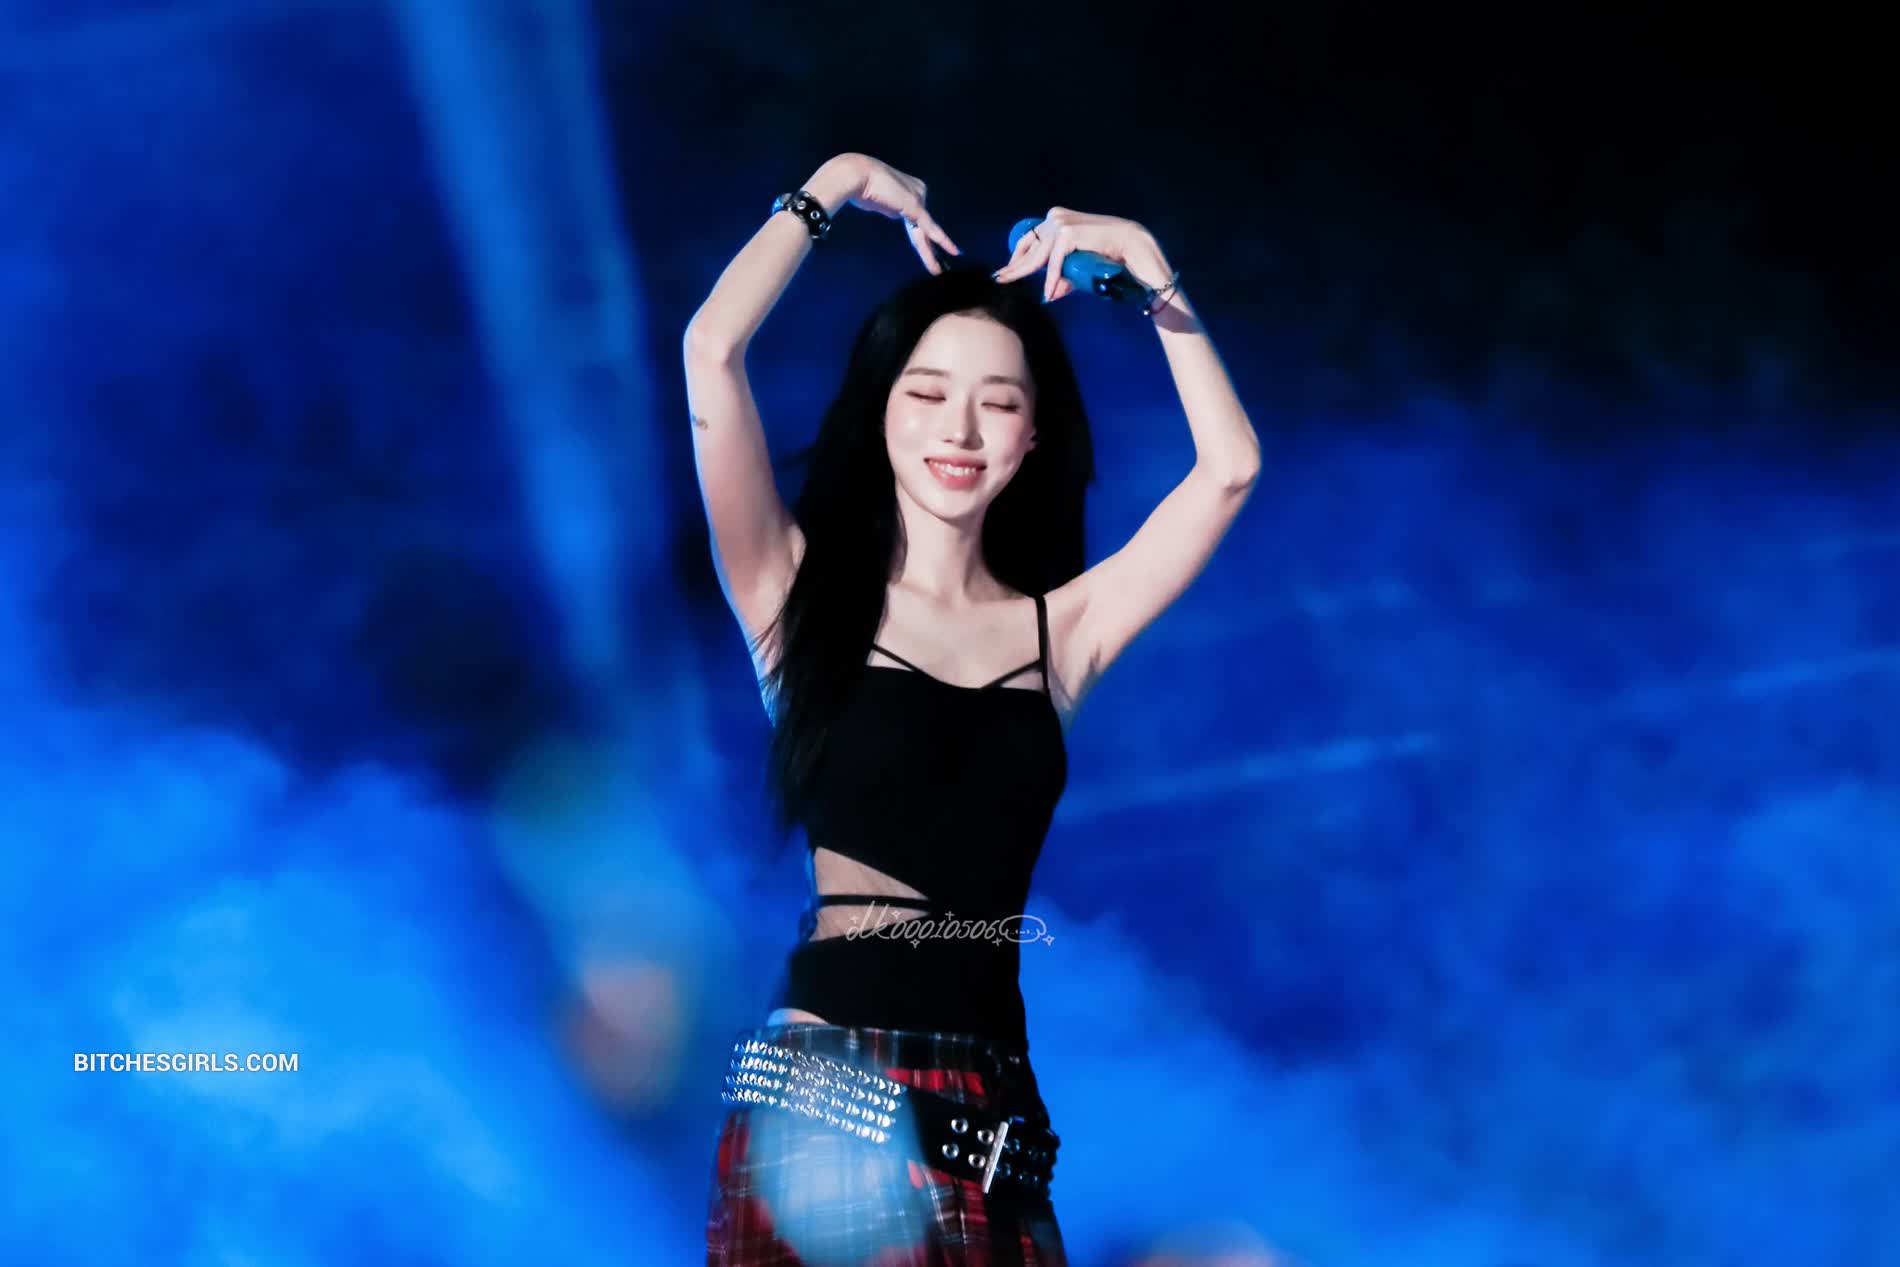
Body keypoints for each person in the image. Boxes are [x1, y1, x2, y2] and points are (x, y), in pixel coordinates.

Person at [687, 151, 1260, 1266]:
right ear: (881, 411)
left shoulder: (1063, 632)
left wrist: (1143, 266)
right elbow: (711, 349)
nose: (960, 429)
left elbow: (1228, 469)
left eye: (997, 403)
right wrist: (833, 185)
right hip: (830, 1106)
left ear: (1030, 435)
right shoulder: (793, 597)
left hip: (993, 1123)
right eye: (927, 394)